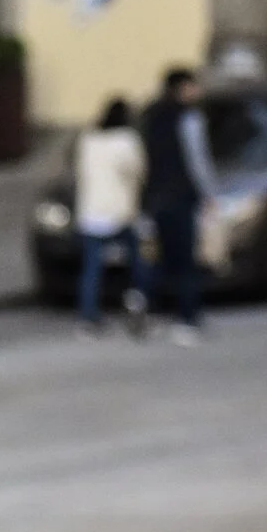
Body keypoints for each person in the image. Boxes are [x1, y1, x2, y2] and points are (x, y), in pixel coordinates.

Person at [138, 67, 218, 345]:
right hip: (181, 196)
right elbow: (198, 160)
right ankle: (187, 320)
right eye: (193, 86)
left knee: (160, 258)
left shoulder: (150, 117)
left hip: (156, 197)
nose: (197, 91)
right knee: (185, 261)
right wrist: (209, 193)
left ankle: (148, 308)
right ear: (182, 88)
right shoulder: (189, 118)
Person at [74, 98, 151, 335]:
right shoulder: (127, 141)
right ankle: (137, 303)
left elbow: (81, 171)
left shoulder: (89, 139)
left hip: (91, 212)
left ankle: (89, 316)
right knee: (137, 261)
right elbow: (139, 173)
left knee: (92, 267)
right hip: (120, 212)